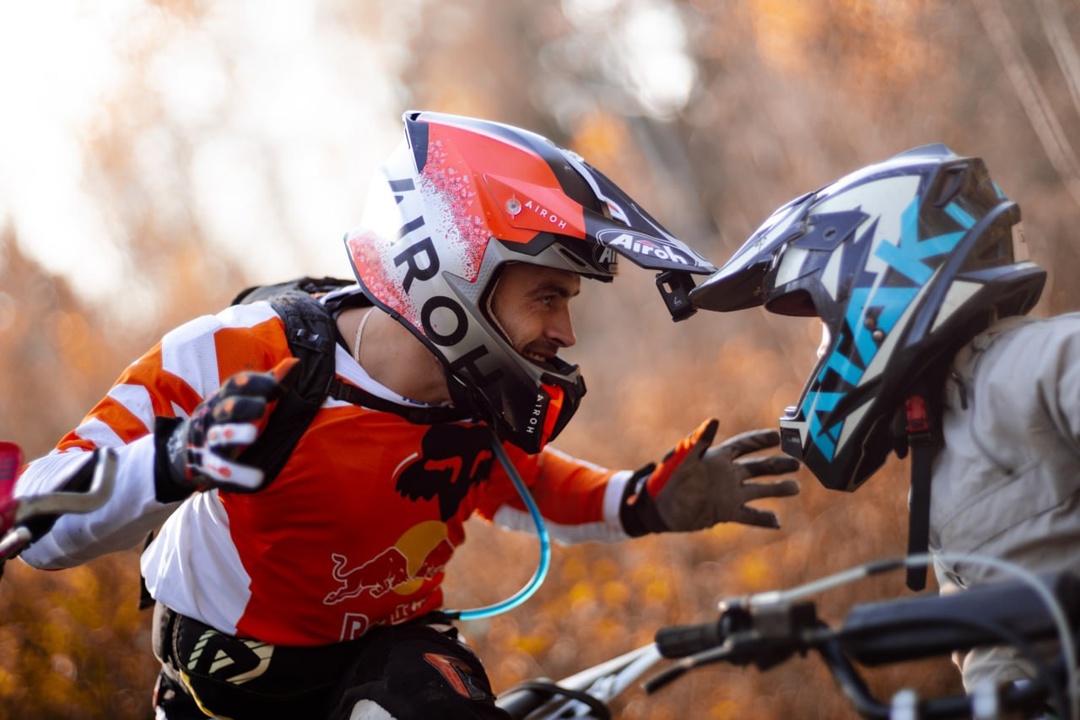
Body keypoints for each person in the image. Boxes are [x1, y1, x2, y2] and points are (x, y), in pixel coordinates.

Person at [13, 111, 801, 720]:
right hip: (230, 680)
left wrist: (647, 500)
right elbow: (32, 513)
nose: (564, 332)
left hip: (394, 660)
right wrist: (173, 458)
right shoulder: (240, 353)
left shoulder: (474, 396)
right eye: (549, 297)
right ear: (457, 270)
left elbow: (525, 488)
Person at [688, 144, 1071, 707]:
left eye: (824, 325)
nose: (822, 350)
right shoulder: (936, 453)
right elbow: (993, 638)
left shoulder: (1037, 359)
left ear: (880, 281)